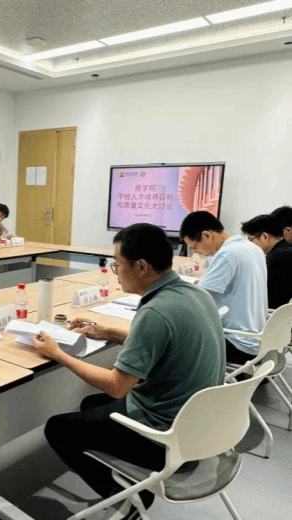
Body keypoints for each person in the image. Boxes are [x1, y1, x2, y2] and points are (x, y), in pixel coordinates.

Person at [35, 223, 225, 518]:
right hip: (201, 429)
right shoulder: (194, 294)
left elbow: (117, 386)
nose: (116, 272)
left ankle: (129, 499)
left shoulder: (155, 311)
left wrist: (58, 354)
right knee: (90, 404)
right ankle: (125, 477)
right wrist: (107, 332)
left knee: (57, 428)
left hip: (166, 438)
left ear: (141, 267)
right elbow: (166, 341)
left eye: (117, 265)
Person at [180, 211, 267, 364]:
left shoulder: (227, 254)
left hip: (237, 343)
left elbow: (197, 298)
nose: (197, 252)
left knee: (172, 340)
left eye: (195, 247)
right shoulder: (253, 248)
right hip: (258, 341)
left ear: (206, 235)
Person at [241, 214, 292, 309]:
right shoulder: (286, 250)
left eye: (250, 240)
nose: (250, 245)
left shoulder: (276, 257)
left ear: (264, 237)